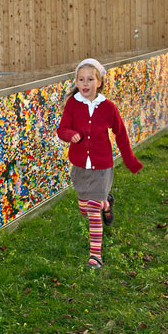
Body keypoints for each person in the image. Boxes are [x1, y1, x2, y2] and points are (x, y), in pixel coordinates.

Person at [55, 58, 143, 268]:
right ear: (76, 81)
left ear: (99, 82)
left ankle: (95, 255)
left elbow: (120, 135)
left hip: (102, 167)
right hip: (80, 167)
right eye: (81, 79)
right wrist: (71, 134)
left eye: (90, 79)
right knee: (84, 208)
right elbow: (62, 129)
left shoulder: (108, 107)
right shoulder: (72, 104)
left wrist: (130, 161)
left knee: (93, 212)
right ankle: (106, 202)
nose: (85, 84)